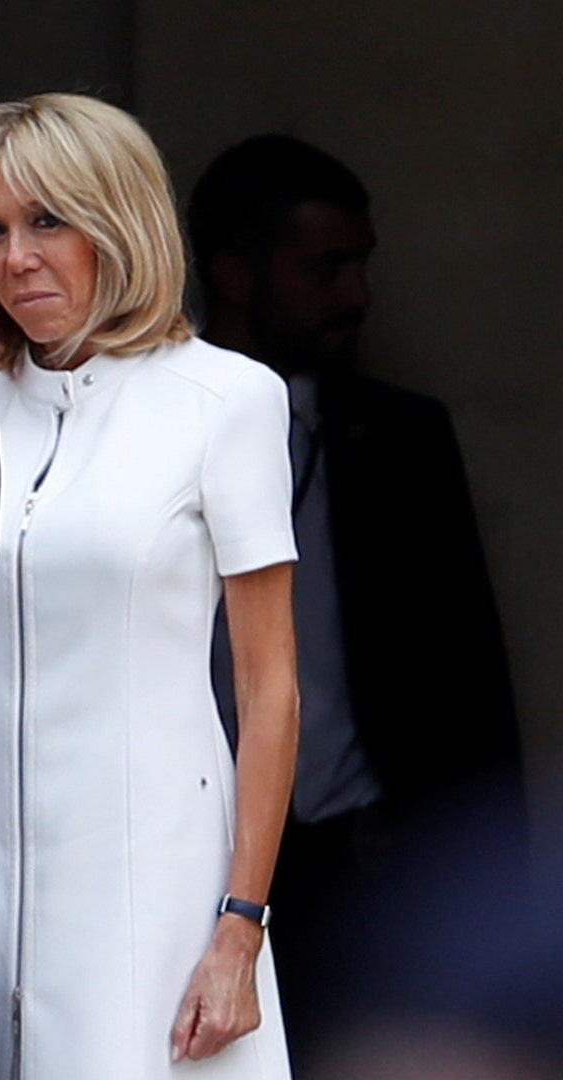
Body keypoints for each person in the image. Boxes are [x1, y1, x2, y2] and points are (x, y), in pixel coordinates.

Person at [0, 93, 299, 1079]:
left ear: (118, 219)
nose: (18, 258)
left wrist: (240, 929)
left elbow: (270, 687)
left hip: (155, 888)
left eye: (50, 220)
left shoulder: (225, 399)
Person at [188, 133, 525, 1066]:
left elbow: (470, 674)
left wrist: (490, 878)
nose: (357, 295)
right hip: (191, 856)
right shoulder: (155, 425)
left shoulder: (403, 438)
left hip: (364, 863)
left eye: (360, 265)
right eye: (325, 267)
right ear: (234, 273)